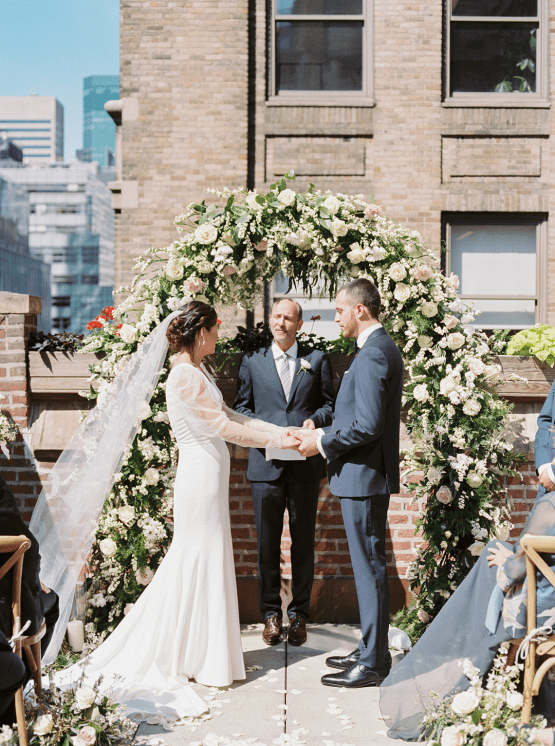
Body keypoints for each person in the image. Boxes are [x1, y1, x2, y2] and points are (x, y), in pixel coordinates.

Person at [53, 302, 301, 724]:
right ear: (200, 331)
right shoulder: (184, 376)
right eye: (215, 329)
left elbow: (231, 414)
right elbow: (225, 429)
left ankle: (204, 652)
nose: (219, 336)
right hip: (200, 476)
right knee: (196, 557)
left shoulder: (196, 372)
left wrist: (281, 431)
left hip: (209, 472)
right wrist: (281, 441)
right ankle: (197, 655)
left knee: (206, 557)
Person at [379, 379, 555, 741]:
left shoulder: (552, 504)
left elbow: (531, 550)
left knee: (492, 566)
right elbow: (547, 423)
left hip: (546, 590)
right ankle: (484, 680)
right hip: (544, 564)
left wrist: (511, 565)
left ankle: (478, 680)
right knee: (495, 555)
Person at [295, 278, 404, 688]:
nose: (335, 317)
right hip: (359, 477)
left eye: (340, 310)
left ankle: (375, 662)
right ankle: (370, 647)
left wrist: (321, 441)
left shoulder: (376, 352)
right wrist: (321, 421)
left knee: (369, 568)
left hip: (363, 478)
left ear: (360, 309)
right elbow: (356, 411)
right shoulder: (373, 350)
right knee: (367, 567)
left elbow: (369, 425)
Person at [233, 298, 334, 646]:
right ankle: (270, 615)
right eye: (276, 316)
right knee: (266, 545)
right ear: (270, 321)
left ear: (299, 325)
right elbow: (242, 408)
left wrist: (313, 421)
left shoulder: (317, 360)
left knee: (304, 542)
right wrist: (266, 432)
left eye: (288, 318)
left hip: (305, 465)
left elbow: (328, 405)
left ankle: (299, 616)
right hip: (266, 465)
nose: (281, 323)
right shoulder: (252, 362)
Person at [0, 475, 59, 725]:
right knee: (51, 601)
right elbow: (26, 545)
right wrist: (31, 582)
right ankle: (12, 710)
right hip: (7, 610)